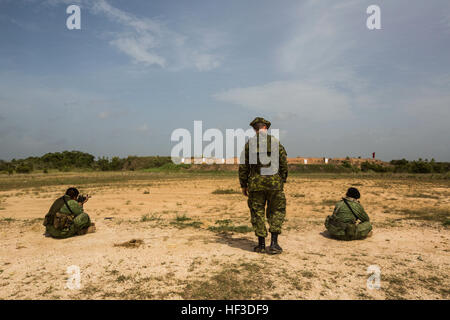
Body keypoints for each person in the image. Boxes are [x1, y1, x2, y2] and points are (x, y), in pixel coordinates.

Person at [239, 117, 288, 254]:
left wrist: (244, 184)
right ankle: (274, 244)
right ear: (266, 128)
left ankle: (260, 245)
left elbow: (244, 166)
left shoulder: (250, 144)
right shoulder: (276, 143)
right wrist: (282, 179)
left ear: (255, 129)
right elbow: (283, 163)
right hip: (275, 185)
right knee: (276, 211)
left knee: (257, 212)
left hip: (256, 185)